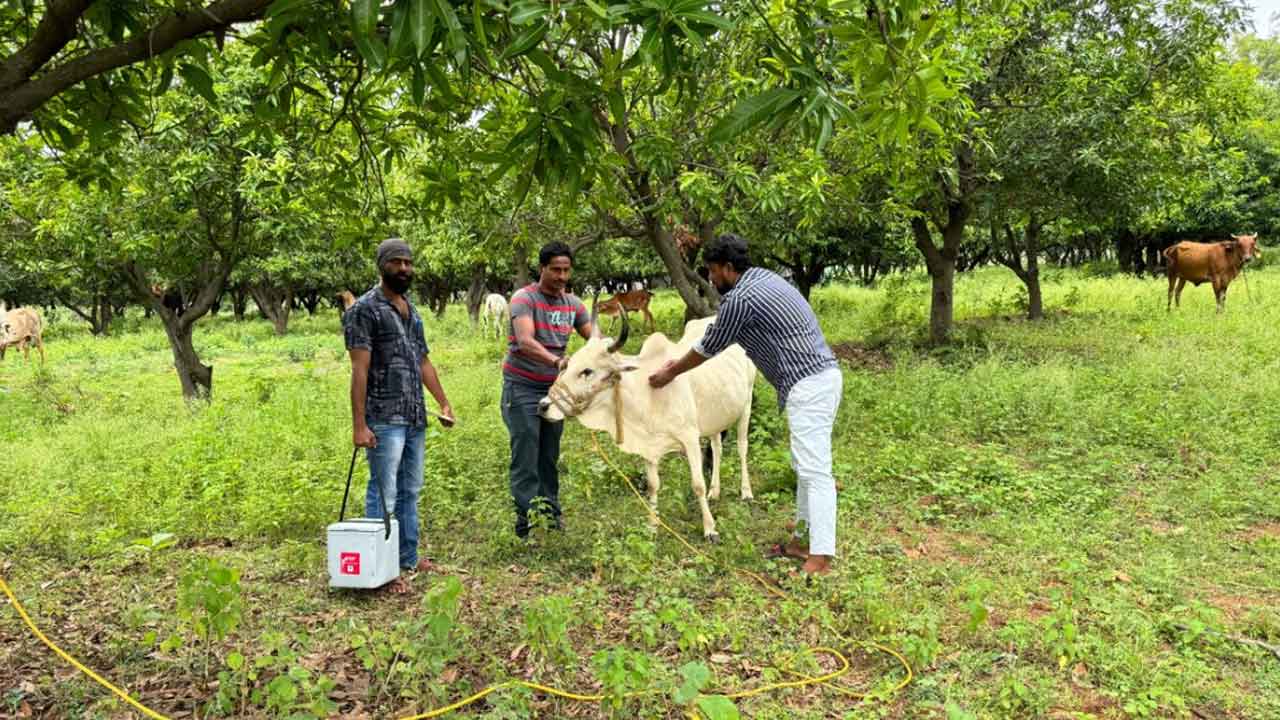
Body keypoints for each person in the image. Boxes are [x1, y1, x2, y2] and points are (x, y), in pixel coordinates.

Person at [648, 233, 842, 575]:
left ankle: (821, 557)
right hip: (817, 378)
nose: (710, 278)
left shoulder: (740, 300)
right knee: (805, 468)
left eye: (712, 271)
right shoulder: (765, 278)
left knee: (815, 471)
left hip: (808, 385)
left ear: (727, 267)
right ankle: (801, 541)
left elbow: (709, 346)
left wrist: (670, 372)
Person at [343, 237, 454, 593]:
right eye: (396, 262)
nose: (404, 269)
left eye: (408, 262)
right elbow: (359, 369)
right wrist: (360, 425)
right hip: (383, 416)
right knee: (383, 491)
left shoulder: (411, 309)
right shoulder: (364, 309)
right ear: (382, 266)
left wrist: (443, 402)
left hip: (414, 415)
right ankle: (381, 569)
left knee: (410, 488)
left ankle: (408, 556)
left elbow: (422, 360)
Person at [502, 241, 594, 538]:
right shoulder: (524, 299)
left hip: (556, 391)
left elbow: (595, 339)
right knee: (526, 450)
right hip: (522, 387)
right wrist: (558, 361)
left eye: (566, 270)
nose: (562, 276)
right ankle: (525, 519)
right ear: (542, 268)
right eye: (556, 269)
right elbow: (525, 340)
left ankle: (551, 514)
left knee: (549, 454)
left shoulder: (573, 304)